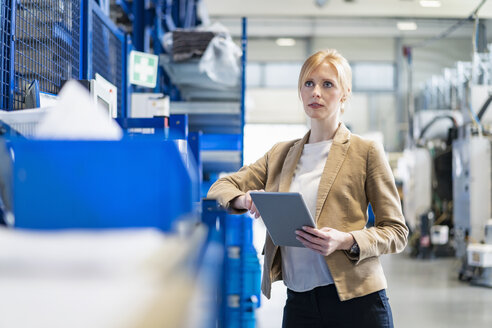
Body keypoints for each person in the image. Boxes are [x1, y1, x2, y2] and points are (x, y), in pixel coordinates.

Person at [207, 49, 408, 328]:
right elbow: (219, 187)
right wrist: (243, 199)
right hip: (299, 303)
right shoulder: (280, 154)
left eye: (328, 84)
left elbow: (396, 232)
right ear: (300, 92)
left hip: (356, 301)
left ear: (345, 94)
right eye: (308, 83)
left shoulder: (366, 152)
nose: (316, 92)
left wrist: (345, 240)